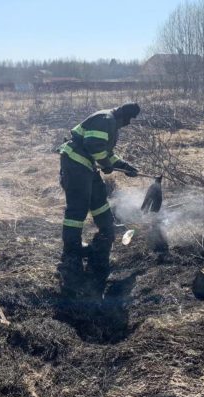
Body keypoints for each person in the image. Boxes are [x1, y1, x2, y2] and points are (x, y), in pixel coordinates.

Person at [57, 103, 141, 297]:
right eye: (127, 121)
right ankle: (72, 249)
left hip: (87, 164)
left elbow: (105, 153)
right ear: (123, 116)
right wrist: (105, 164)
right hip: (76, 162)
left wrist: (124, 166)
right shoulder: (106, 120)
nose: (126, 125)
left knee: (99, 198)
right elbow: (94, 146)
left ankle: (106, 231)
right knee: (78, 208)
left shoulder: (109, 121)